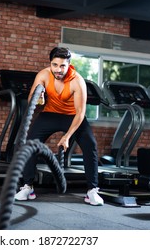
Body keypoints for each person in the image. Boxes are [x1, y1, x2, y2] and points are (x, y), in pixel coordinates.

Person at [14, 47, 103, 206]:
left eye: (62, 66)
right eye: (55, 65)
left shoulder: (77, 81)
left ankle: (92, 191)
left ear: (69, 65)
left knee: (90, 145)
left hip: (73, 116)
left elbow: (81, 113)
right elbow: (31, 102)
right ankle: (28, 186)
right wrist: (38, 98)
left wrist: (67, 136)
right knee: (29, 144)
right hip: (50, 114)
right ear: (50, 63)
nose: (58, 69)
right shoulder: (43, 75)